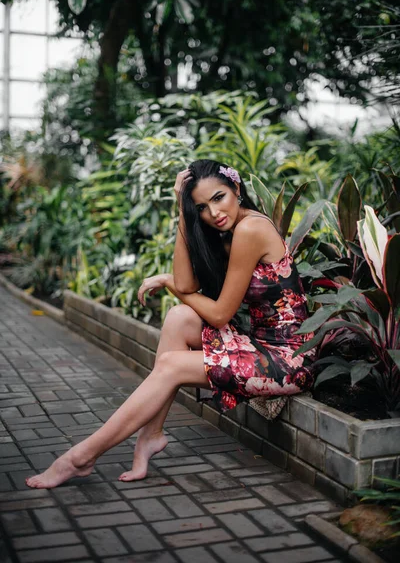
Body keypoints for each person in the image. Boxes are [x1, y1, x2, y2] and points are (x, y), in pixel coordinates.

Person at [25, 159, 313, 489]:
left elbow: (217, 313)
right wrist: (181, 209)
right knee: (179, 317)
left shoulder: (250, 229)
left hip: (289, 360)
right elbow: (187, 283)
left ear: (236, 189)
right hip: (261, 344)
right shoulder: (226, 230)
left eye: (219, 197)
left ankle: (81, 457)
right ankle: (151, 434)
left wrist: (169, 283)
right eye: (202, 207)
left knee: (171, 365)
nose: (214, 213)